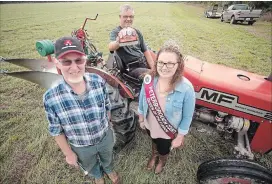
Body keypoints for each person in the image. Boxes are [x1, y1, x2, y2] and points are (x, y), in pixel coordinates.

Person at [43, 36, 120, 184]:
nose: (74, 67)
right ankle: (98, 175)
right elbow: (56, 131)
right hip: (81, 146)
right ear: (57, 63)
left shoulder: (98, 81)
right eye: (67, 62)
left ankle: (109, 169)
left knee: (107, 155)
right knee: (89, 164)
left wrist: (107, 125)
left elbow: (107, 107)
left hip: (104, 137)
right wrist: (68, 154)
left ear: (85, 60)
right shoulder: (50, 98)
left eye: (78, 60)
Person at [137, 41, 196, 174]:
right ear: (156, 62)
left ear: (178, 65)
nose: (164, 67)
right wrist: (141, 119)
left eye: (170, 63)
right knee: (153, 139)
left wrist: (180, 136)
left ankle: (162, 160)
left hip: (167, 130)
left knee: (164, 148)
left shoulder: (186, 88)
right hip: (150, 123)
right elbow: (141, 101)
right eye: (161, 62)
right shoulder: (149, 80)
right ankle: (154, 154)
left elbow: (187, 116)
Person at [108, 4, 154, 78]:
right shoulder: (116, 32)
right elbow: (110, 47)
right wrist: (118, 42)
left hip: (143, 62)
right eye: (125, 16)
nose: (128, 19)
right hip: (132, 68)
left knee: (159, 71)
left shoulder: (137, 32)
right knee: (152, 76)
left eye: (131, 17)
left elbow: (145, 51)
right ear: (120, 17)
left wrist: (153, 68)